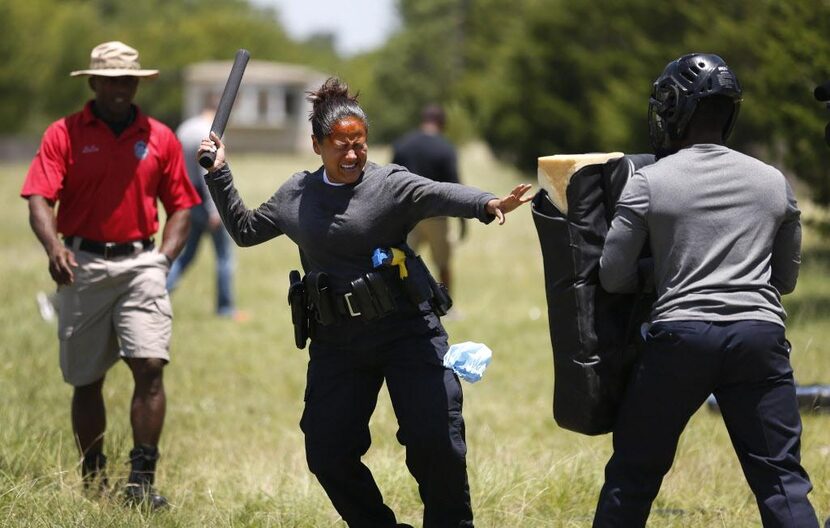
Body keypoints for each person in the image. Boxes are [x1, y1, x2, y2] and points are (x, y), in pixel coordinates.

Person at [198, 77, 532, 528]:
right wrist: (219, 172)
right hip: (337, 342)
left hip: (406, 330)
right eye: (341, 145)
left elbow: (439, 192)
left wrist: (488, 202)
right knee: (327, 451)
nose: (353, 154)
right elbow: (245, 230)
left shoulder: (389, 184)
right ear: (316, 145)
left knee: (437, 441)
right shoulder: (296, 194)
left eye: (360, 144)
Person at [594, 53, 819, 527]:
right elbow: (785, 281)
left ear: (674, 110)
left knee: (633, 475)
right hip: (759, 337)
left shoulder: (649, 182)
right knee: (782, 480)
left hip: (680, 340)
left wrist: (659, 275)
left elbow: (612, 275)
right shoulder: (774, 183)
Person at [20, 41, 200, 509]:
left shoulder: (158, 136)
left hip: (142, 263)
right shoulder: (64, 134)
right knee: (87, 379)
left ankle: (141, 480)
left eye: (129, 80)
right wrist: (54, 245)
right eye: (112, 80)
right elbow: (39, 196)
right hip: (83, 264)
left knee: (151, 366)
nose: (122, 89)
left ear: (138, 83)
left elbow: (182, 205)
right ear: (93, 82)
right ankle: (93, 475)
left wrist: (163, 260)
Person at [166, 95, 242, 319]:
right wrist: (214, 209)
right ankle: (226, 309)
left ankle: (156, 296)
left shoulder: (185, 128)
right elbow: (206, 170)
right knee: (225, 257)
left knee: (185, 256)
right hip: (206, 201)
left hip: (187, 200)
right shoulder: (210, 133)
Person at [392, 104, 464, 295]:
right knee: (443, 263)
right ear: (442, 123)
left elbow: (391, 180)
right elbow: (455, 186)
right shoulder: (446, 148)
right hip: (436, 215)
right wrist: (464, 220)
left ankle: (400, 303)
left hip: (408, 214)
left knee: (401, 261)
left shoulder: (403, 144)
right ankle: (447, 305)